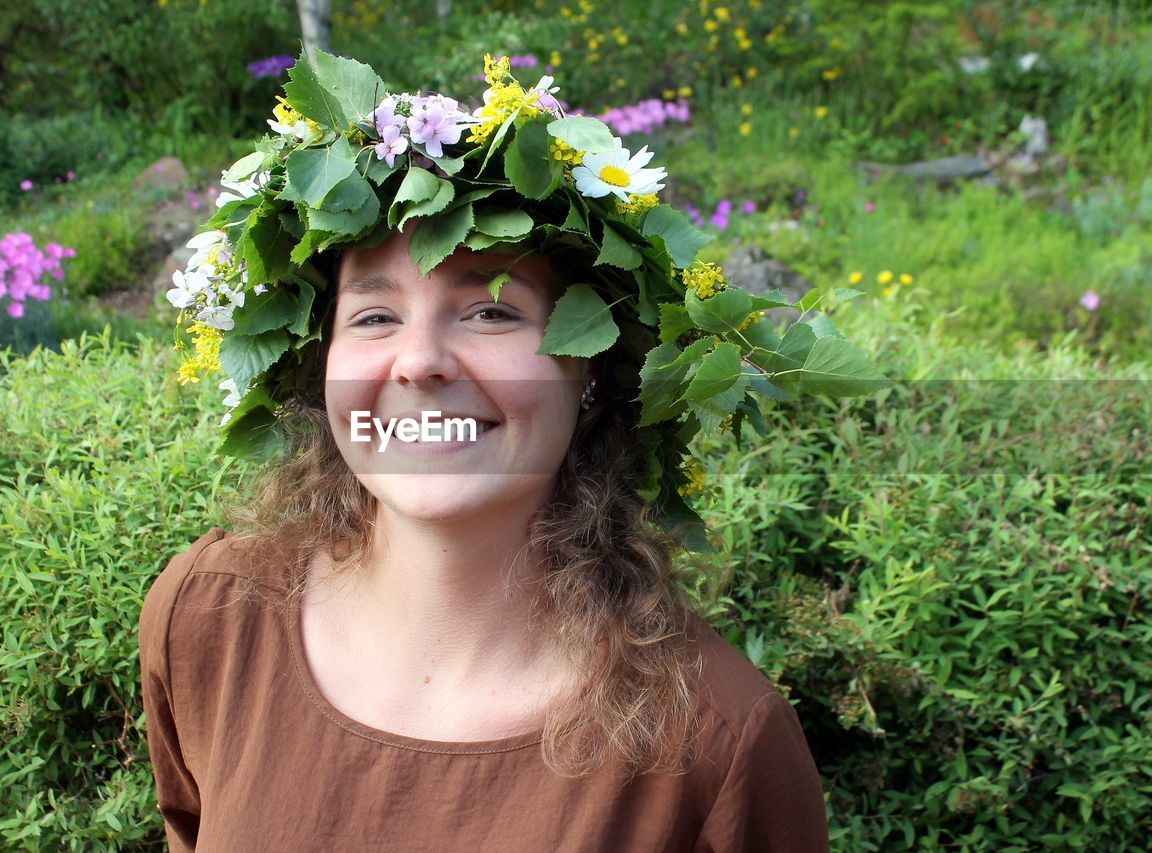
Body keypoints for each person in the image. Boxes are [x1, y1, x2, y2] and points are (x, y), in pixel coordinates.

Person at [142, 49, 865, 852]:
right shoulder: (208, 621)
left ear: (591, 367)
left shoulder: (717, 746)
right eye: (374, 317)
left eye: (490, 312)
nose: (418, 362)